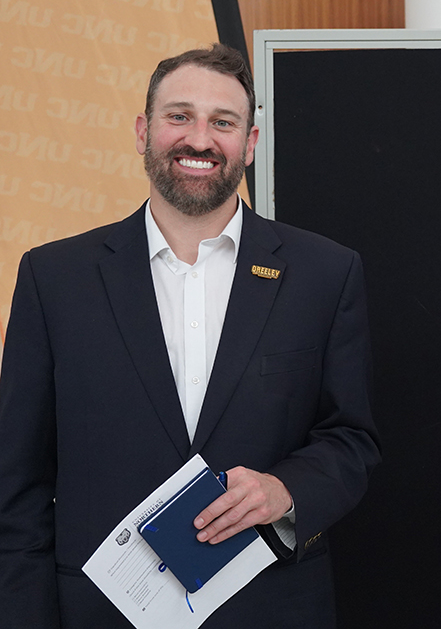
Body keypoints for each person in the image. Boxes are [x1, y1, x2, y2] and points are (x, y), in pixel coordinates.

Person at [0, 43, 380, 628]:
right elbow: (17, 483)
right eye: (179, 116)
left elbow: (351, 439)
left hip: (271, 607)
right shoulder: (54, 278)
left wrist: (286, 490)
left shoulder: (325, 274)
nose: (199, 140)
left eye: (222, 122)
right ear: (142, 131)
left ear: (249, 144)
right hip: (99, 614)